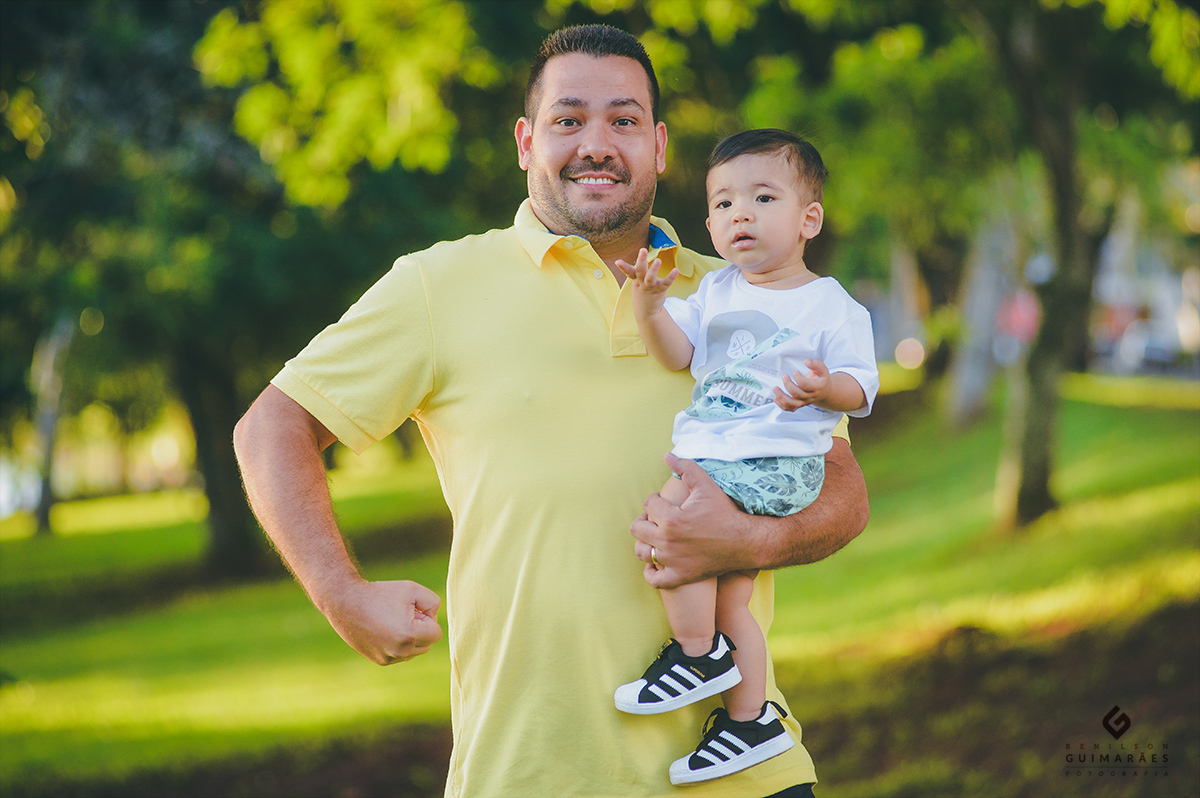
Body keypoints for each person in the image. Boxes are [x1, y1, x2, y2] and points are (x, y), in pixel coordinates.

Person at [233, 24, 869, 798]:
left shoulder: (747, 292)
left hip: (745, 776)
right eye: (569, 119)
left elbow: (843, 493)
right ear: (526, 141)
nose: (596, 144)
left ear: (659, 147)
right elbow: (272, 425)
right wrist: (345, 596)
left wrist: (747, 539)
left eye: (624, 120)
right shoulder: (438, 286)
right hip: (530, 774)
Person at [612, 129, 879, 786]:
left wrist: (825, 389)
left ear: (808, 219)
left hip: (775, 462)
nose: (742, 215)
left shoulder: (829, 303)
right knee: (735, 598)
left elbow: (862, 387)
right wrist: (649, 306)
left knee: (666, 526)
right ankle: (750, 719)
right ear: (710, 225)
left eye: (763, 198)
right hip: (726, 462)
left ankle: (696, 653)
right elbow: (677, 353)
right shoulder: (717, 292)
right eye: (725, 204)